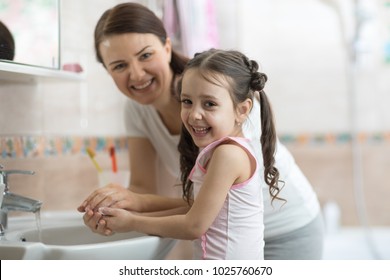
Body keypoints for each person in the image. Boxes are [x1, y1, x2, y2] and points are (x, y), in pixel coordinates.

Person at [78, 2, 324, 260]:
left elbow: (198, 218)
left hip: (288, 230)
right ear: (108, 71)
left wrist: (132, 220)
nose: (137, 74)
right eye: (119, 66)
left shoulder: (224, 97)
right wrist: (113, 213)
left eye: (145, 55)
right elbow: (143, 188)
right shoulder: (136, 111)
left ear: (167, 47)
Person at [97, 48, 280, 259]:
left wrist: (132, 222)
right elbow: (195, 209)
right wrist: (135, 209)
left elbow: (194, 225)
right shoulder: (221, 151)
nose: (194, 114)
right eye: (187, 101)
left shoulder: (229, 155)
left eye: (209, 104)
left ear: (242, 110)